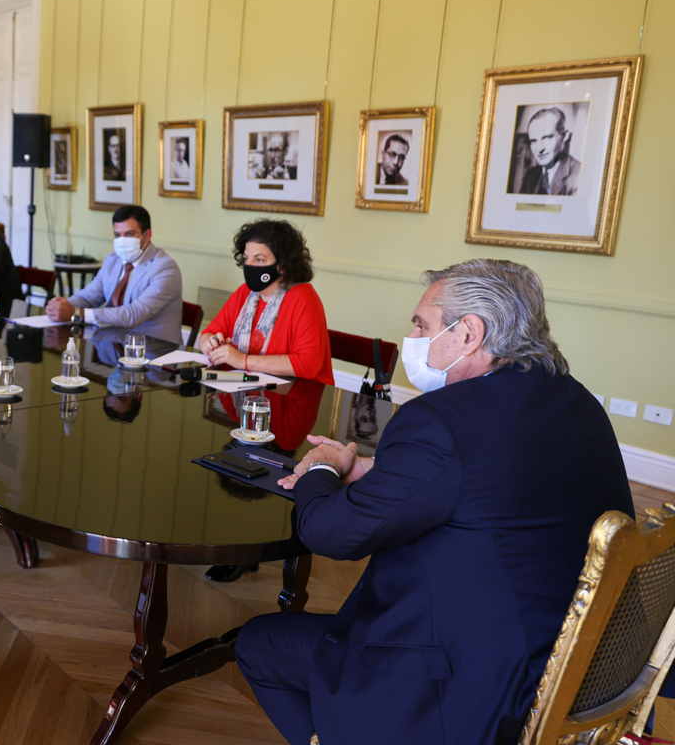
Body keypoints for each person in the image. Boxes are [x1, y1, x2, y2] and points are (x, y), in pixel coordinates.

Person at [234, 259, 634, 745]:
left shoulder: (440, 419)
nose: (414, 336)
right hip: (575, 662)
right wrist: (375, 470)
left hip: (469, 687)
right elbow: (491, 480)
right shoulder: (574, 400)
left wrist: (322, 467)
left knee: (259, 643)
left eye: (421, 324)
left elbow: (331, 534)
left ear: (469, 333)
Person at [197, 219, 333, 386]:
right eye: (247, 259)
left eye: (259, 260)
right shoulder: (245, 293)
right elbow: (208, 334)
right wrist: (210, 343)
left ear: (282, 264)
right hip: (246, 390)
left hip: (295, 396)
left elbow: (308, 364)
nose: (249, 266)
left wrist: (243, 361)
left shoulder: (303, 298)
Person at [44, 205, 184, 344]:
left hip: (153, 351)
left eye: (129, 234)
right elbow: (89, 296)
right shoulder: (113, 260)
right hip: (113, 344)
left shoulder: (166, 268)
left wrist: (76, 314)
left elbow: (134, 314)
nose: (122, 240)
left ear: (147, 235)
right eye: (117, 235)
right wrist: (62, 306)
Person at [520, 107, 581, 196]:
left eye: (547, 138)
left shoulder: (579, 175)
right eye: (533, 141)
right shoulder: (531, 176)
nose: (540, 149)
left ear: (565, 136)